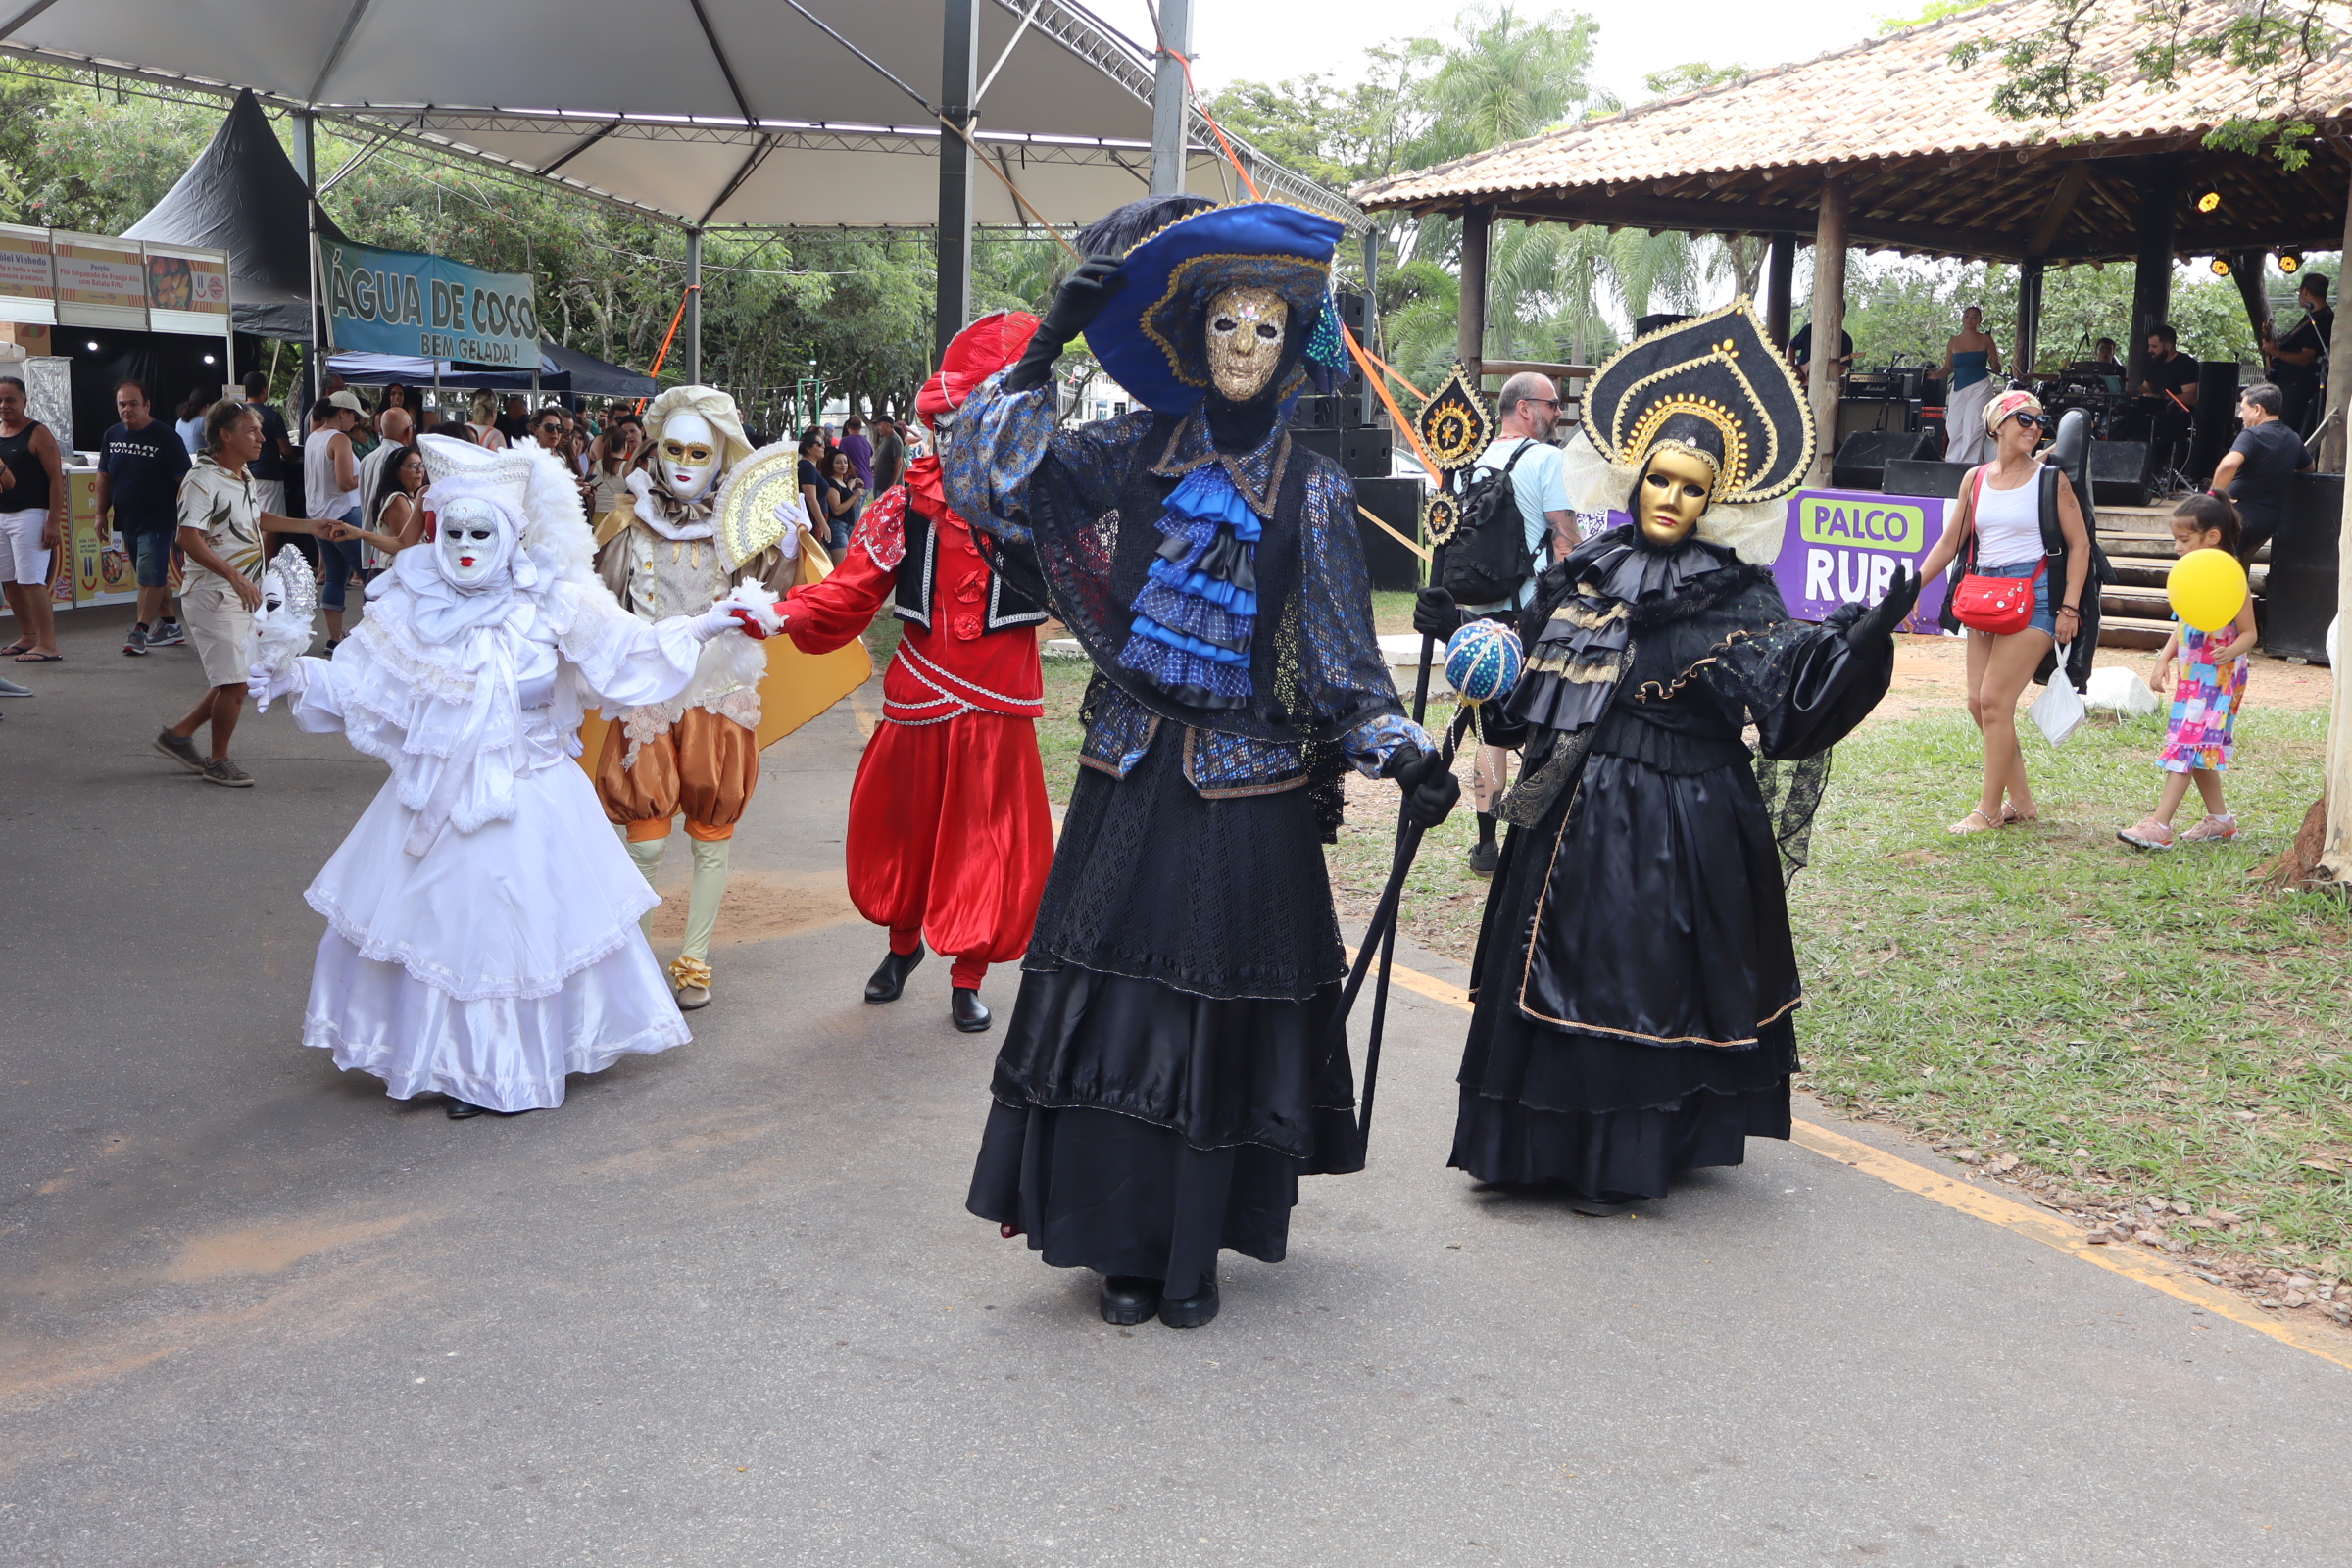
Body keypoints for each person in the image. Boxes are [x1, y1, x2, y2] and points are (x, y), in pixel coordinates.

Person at [948, 195, 1460, 1330]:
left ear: (1292, 345)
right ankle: (1119, 1244)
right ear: (1191, 340)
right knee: (1121, 1008)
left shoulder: (1318, 492)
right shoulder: (1127, 451)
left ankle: (1194, 1249)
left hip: (1250, 797)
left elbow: (1340, 664)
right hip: (1129, 777)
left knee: (1213, 1021)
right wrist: (1044, 346)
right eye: (1224, 324)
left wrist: (1404, 753)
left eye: (1266, 326)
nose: (1242, 345)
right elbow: (981, 487)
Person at [1448, 303, 1914, 1215]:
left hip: (1678, 817)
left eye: (1691, 488)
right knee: (1554, 965)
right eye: (1658, 479)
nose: (1669, 499)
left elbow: (1787, 705)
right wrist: (1474, 647)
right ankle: (1537, 1144)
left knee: (1642, 975)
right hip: (1569, 806)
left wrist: (1858, 648)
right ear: (1633, 476)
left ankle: (1622, 1153)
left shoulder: (1737, 594)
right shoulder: (1586, 575)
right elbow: (1520, 702)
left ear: (1718, 500)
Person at [250, 435, 774, 1117]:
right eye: (455, 531)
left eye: (482, 531)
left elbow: (628, 652)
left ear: (510, 534)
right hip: (437, 792)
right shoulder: (409, 603)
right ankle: (449, 1060)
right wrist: (291, 667)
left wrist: (705, 624)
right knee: (444, 923)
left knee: (515, 924)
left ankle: (502, 1064)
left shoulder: (553, 602)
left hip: (530, 788)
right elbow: (361, 682)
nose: (466, 546)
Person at [765, 313, 1055, 1034]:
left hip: (997, 704)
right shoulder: (902, 506)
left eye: (974, 420)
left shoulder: (1036, 508)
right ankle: (902, 946)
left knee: (986, 839)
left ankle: (968, 974)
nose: (957, 436)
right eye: (949, 421)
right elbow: (854, 587)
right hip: (921, 692)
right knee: (902, 827)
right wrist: (782, 612)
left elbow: (1100, 583)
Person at [590, 386, 847, 1011]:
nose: (682, 463)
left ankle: (694, 962)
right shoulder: (626, 519)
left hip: (717, 692)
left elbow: (768, 603)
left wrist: (787, 552)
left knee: (711, 833)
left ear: (720, 456)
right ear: (654, 447)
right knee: (645, 839)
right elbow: (595, 604)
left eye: (698, 452)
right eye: (672, 448)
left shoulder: (737, 525)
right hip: (649, 693)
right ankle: (637, 966)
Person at [1418, 371, 1576, 878]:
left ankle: (1486, 846)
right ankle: (1530, 837)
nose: (1558, 414)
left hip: (1469, 617)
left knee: (1486, 724)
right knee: (1535, 723)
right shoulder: (1548, 459)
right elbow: (1565, 541)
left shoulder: (1466, 462)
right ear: (1526, 408)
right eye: (1553, 405)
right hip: (1527, 614)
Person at [1914, 389, 2092, 833]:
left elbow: (2080, 544)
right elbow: (1950, 541)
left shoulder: (2050, 479)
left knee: (1995, 700)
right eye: (2023, 419)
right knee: (1979, 704)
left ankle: (1988, 810)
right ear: (1997, 426)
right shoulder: (1975, 478)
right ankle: (2024, 803)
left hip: (2036, 596)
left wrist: (2070, 606)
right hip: (1984, 594)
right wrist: (1912, 586)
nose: (2034, 428)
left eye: (2038, 421)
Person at [153, 399, 345, 786]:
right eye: (251, 431)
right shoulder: (202, 479)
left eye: (259, 430)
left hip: (240, 593)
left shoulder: (243, 475)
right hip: (213, 594)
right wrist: (236, 577)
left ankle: (177, 736)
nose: (261, 437)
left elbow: (257, 518)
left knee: (235, 677)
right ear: (225, 436)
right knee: (236, 683)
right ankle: (217, 759)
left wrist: (311, 527)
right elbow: (188, 538)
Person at [2118, 494, 2260, 850]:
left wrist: (2231, 649)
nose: (2178, 548)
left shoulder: (2231, 580)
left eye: (2184, 540)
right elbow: (2184, 624)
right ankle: (2222, 821)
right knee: (2197, 750)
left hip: (2220, 679)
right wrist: (2163, 658)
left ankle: (2160, 825)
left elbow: (2250, 633)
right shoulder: (2193, 578)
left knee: (2186, 745)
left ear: (2211, 537)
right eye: (2176, 540)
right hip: (2194, 678)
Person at [95, 379, 191, 656]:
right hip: (128, 520)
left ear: (147, 405)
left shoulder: (166, 438)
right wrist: (101, 513)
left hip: (160, 520)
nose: (127, 409)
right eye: (122, 404)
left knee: (149, 577)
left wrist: (191, 521)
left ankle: (140, 631)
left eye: (134, 404)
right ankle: (171, 626)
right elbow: (104, 475)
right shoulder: (112, 435)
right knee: (154, 577)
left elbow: (186, 482)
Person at [0, 374, 66, 662]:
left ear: (24, 401)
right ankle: (28, 636)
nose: (4, 405)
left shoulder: (38, 433)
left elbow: (56, 480)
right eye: (0, 400)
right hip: (2, 515)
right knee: (9, 580)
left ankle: (48, 644)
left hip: (31, 515)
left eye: (10, 399)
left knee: (31, 581)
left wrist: (53, 521)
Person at [2208, 382, 2311, 564]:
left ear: (2257, 409)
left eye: (2242, 409)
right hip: (2268, 522)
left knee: (2211, 558)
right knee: (2239, 561)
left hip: (2239, 516)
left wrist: (2215, 495)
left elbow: (2228, 465)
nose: (2240, 415)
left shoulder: (2251, 435)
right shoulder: (2293, 438)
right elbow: (2309, 468)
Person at [304, 391, 369, 650]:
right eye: (354, 415)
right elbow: (345, 483)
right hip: (344, 514)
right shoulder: (340, 439)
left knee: (334, 578)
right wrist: (371, 475)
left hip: (318, 515)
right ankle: (372, 640)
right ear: (343, 412)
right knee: (372, 577)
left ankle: (334, 638)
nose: (355, 422)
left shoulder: (313, 437)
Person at [2262, 273, 2332, 436]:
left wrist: (2276, 352)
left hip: (2298, 389)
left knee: (2286, 432)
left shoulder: (2322, 319)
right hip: (2288, 385)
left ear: (2305, 291)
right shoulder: (2311, 317)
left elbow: (2305, 357)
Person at [2130, 324, 2200, 469]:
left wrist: (2159, 397)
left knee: (2137, 424)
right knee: (2128, 418)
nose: (2150, 350)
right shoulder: (2155, 363)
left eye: (2154, 346)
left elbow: (2192, 397)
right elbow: (2145, 387)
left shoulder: (2186, 364)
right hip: (2153, 415)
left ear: (2168, 346)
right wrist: (2130, 394)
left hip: (2176, 417)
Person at [1939, 304, 2002, 465]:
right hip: (1959, 386)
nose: (1970, 319)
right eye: (1967, 316)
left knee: (1973, 427)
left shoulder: (1985, 339)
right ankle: (1952, 463)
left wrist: (1995, 362)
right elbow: (1948, 367)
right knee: (1954, 426)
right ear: (1962, 318)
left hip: (1979, 385)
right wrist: (1935, 375)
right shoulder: (1953, 341)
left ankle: (1969, 465)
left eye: (1974, 317)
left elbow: (1996, 368)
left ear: (1979, 321)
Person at [587, 414, 643, 518]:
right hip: (620, 520)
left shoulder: (593, 467)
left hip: (598, 518)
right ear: (625, 444)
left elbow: (591, 502)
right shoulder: (629, 467)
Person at [1788, 310, 1852, 387]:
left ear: (1843, 316)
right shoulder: (1809, 329)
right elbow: (1791, 347)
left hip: (1823, 387)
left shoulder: (1846, 340)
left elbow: (1843, 367)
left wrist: (1825, 375)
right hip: (1800, 382)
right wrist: (1792, 368)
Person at [820, 446, 863, 554]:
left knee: (848, 564)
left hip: (849, 527)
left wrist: (854, 492)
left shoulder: (843, 483)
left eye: (845, 462)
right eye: (838, 462)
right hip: (838, 528)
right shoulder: (831, 483)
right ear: (831, 465)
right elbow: (837, 510)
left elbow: (850, 507)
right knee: (841, 567)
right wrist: (854, 495)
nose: (843, 465)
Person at [796, 428, 828, 539]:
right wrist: (823, 523)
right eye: (819, 444)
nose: (823, 446)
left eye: (823, 443)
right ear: (808, 448)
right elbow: (810, 498)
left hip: (814, 519)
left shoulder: (810, 466)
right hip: (811, 520)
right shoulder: (806, 467)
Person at [838, 414, 874, 490]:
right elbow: (870, 455)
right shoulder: (866, 441)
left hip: (855, 481)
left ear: (847, 426)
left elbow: (840, 458)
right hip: (868, 481)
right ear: (860, 427)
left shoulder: (844, 442)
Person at [871, 414, 906, 492]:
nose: (878, 428)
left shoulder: (894, 440)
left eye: (879, 425)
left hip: (888, 488)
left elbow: (899, 463)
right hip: (881, 486)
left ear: (887, 425)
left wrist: (892, 485)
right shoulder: (886, 439)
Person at [173, 387, 211, 455]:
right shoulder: (203, 421)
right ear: (207, 406)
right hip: (201, 462)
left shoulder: (179, 422)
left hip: (186, 462)